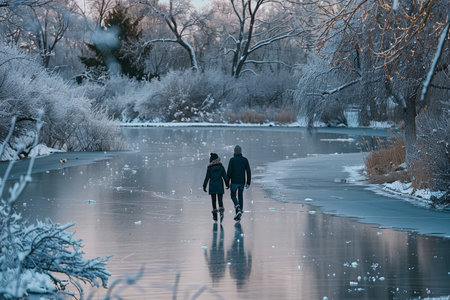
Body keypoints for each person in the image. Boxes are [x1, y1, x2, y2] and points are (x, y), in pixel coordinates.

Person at [227, 145, 251, 221]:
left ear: (234, 151)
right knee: (240, 196)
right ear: (241, 151)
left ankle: (237, 207)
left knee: (233, 195)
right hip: (241, 182)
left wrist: (227, 182)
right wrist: (248, 182)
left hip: (234, 182)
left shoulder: (232, 160)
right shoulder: (245, 160)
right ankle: (239, 212)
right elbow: (248, 171)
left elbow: (229, 172)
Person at [203, 153, 229, 222]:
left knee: (213, 201)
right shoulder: (221, 167)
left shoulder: (209, 168)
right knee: (220, 200)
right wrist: (227, 184)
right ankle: (221, 213)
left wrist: (204, 186)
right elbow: (225, 177)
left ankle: (215, 216)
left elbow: (207, 178)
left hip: (212, 186)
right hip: (220, 186)